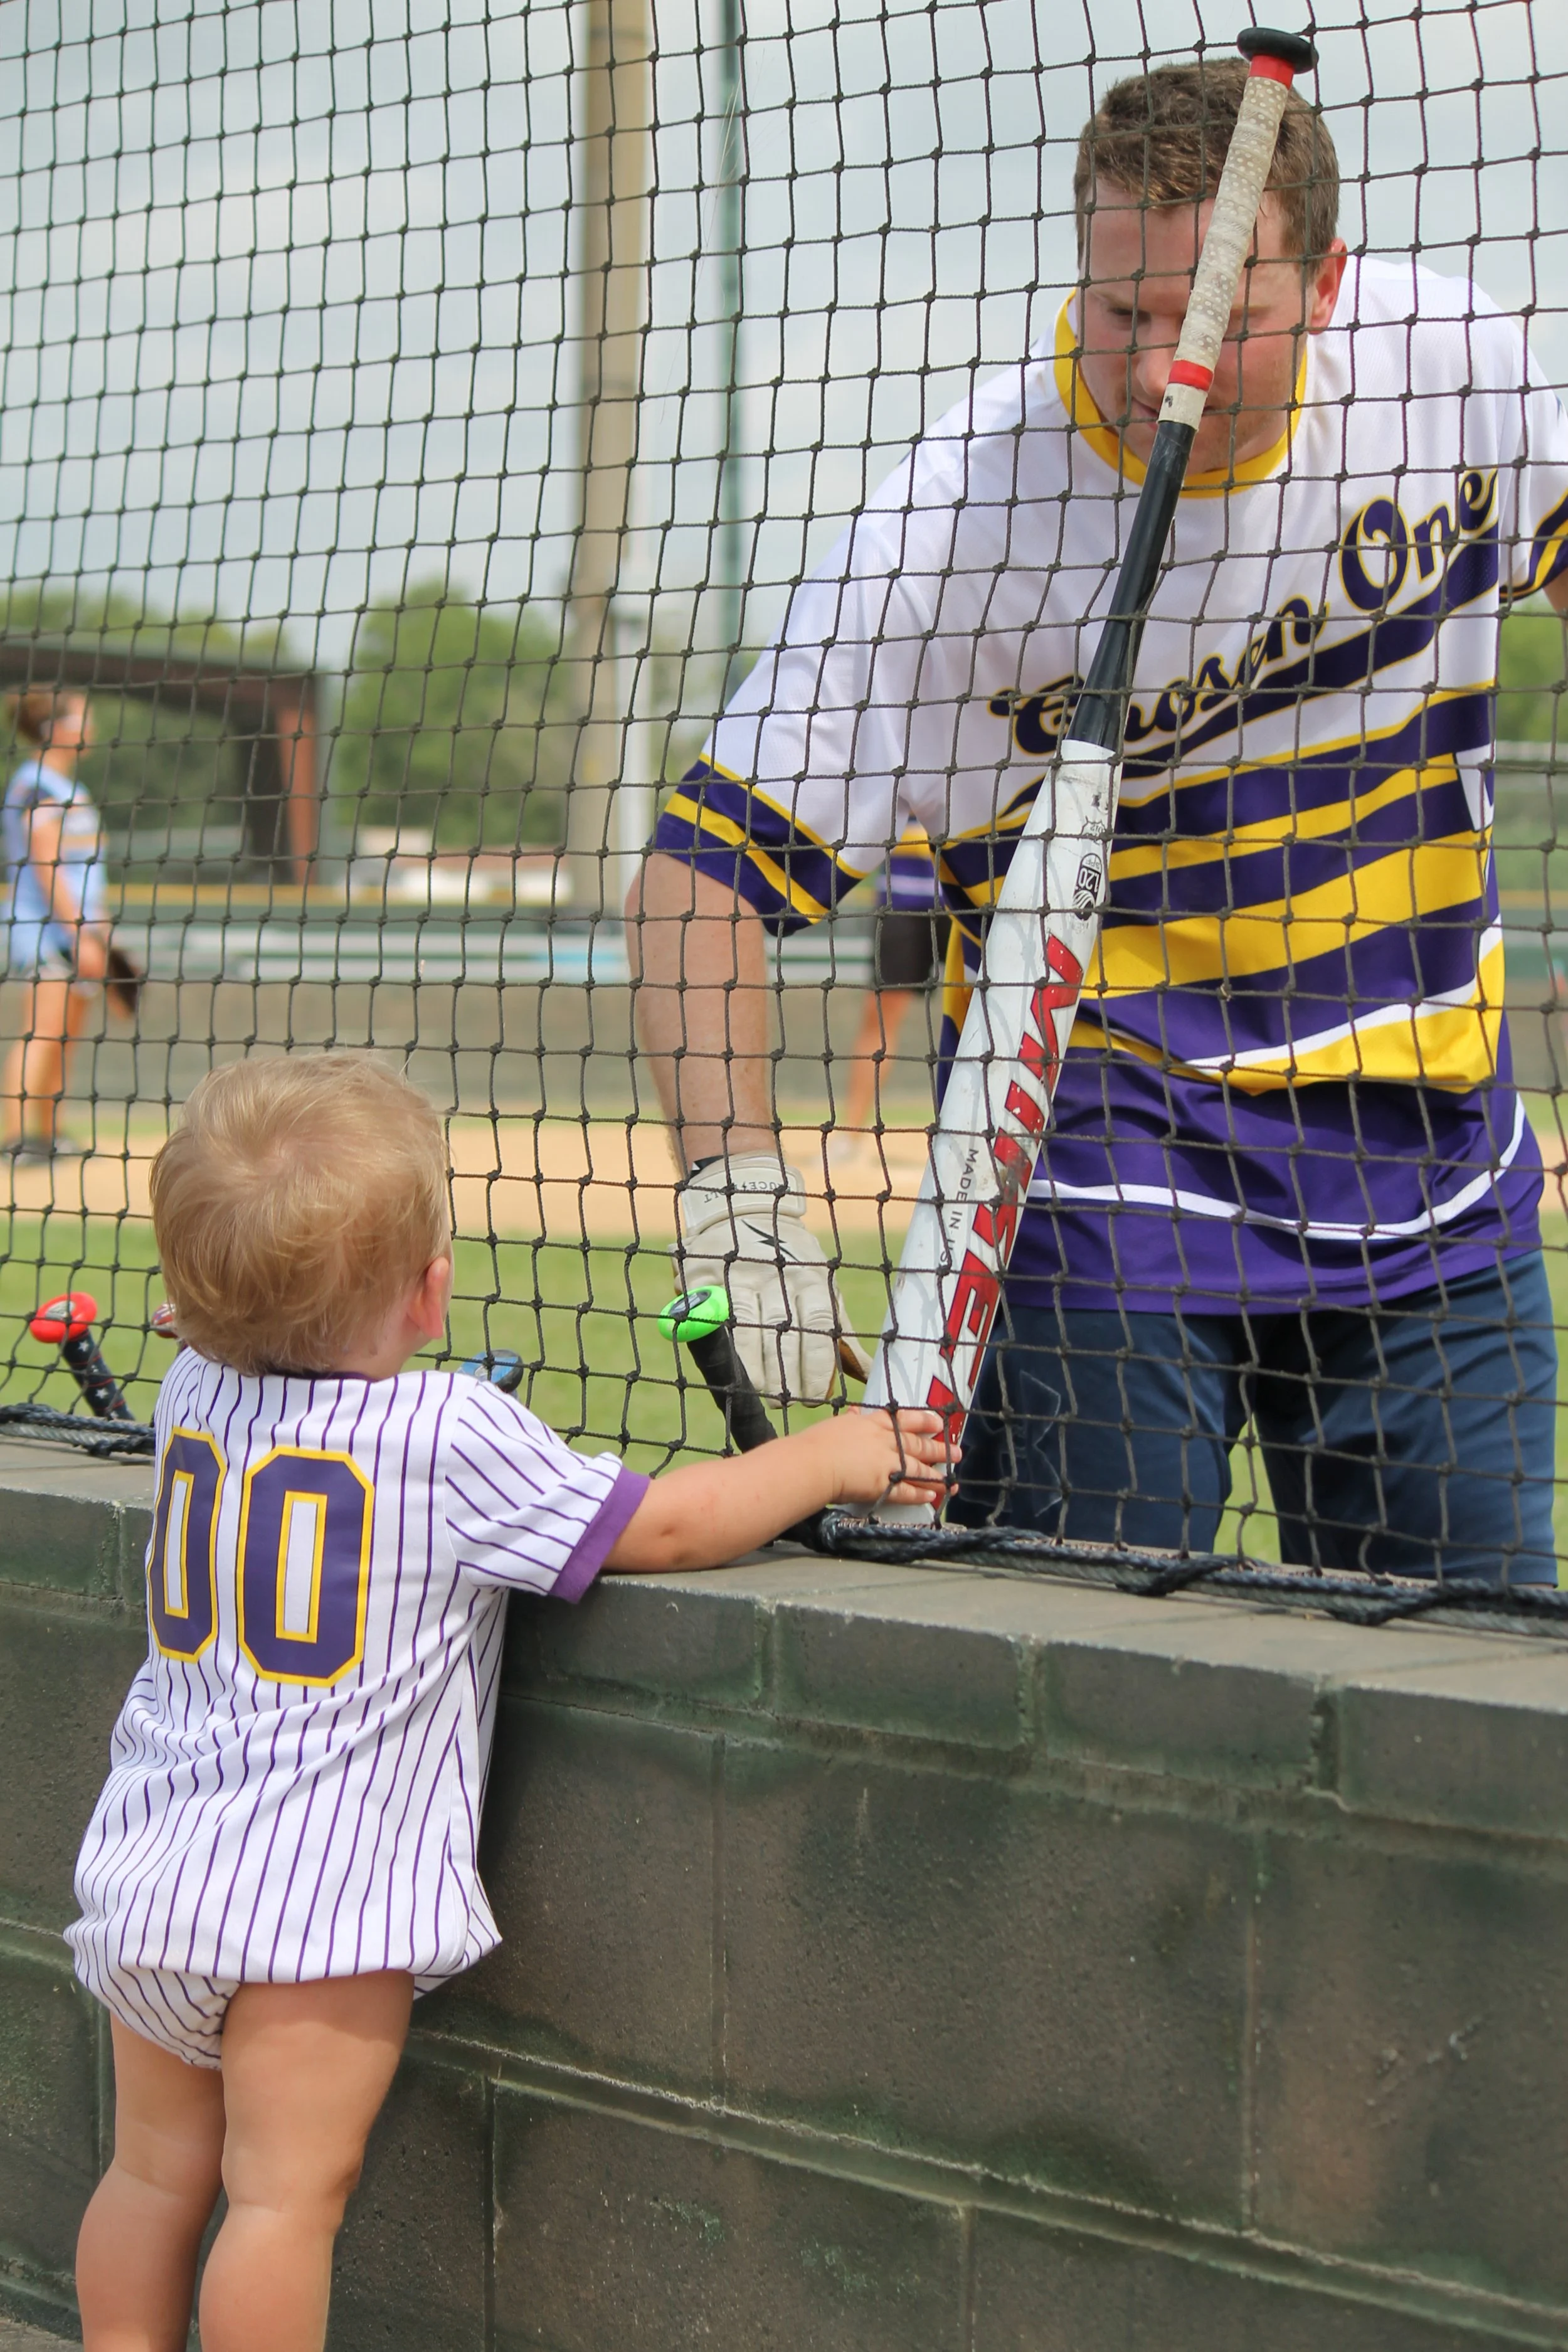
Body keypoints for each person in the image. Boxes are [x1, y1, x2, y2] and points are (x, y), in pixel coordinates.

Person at [628, 56, 1568, 1581]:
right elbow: (698, 878)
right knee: (1078, 1689)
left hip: (1430, 1170)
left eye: (1214, 322)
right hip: (1100, 1169)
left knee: (1474, 1703)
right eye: (1121, 314)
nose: (1156, 374)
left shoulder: (1458, 369)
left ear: (1321, 284)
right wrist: (735, 1184)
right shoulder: (954, 529)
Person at [68, 1053, 949, 2352]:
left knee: (152, 2176)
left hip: (151, 1869)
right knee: (281, 2203)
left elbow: (227, 1329)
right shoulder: (449, 1433)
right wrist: (832, 1448)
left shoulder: (196, 1391)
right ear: (430, 1295)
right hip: (311, 1912)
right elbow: (674, 1527)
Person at [1, 688, 117, 1158]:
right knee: (42, 1033)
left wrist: (101, 931)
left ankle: (50, 1134)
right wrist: (80, 934)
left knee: (65, 1035)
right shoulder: (37, 785)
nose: (91, 728)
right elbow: (47, 868)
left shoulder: (70, 788)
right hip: (50, 932)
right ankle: (15, 1138)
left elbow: (86, 869)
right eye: (82, 719)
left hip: (79, 929)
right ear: (55, 730)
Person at [832, 825, 950, 1163]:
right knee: (879, 1018)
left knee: (982, 1013)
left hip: (971, 898)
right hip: (902, 901)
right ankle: (850, 1135)